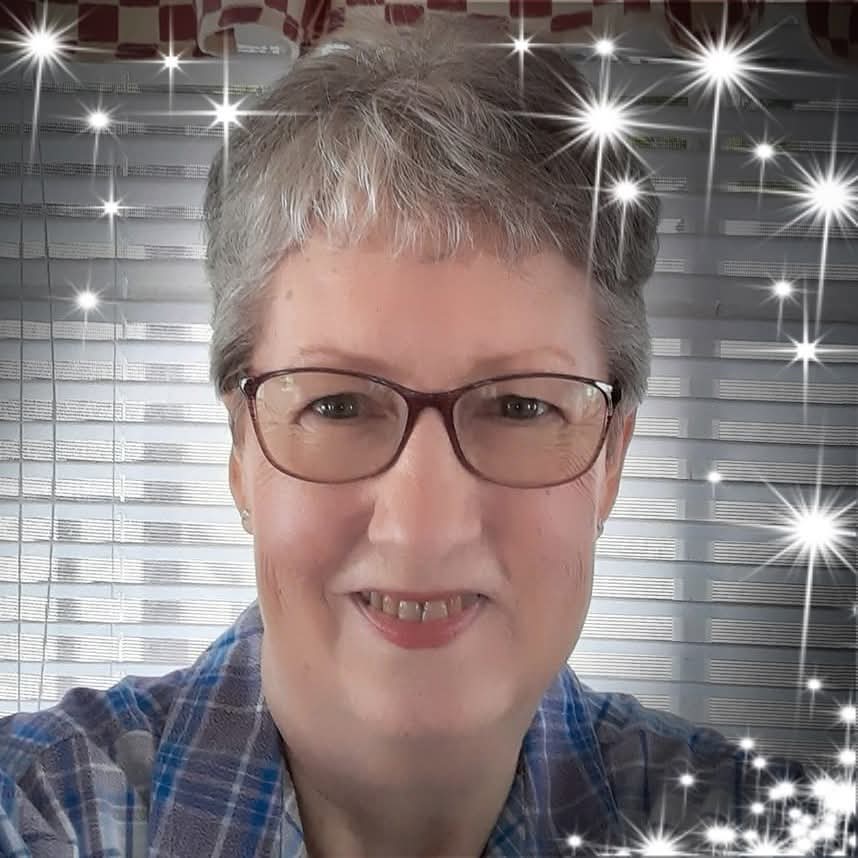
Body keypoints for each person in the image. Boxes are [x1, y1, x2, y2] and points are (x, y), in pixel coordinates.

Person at [0, 10, 836, 858]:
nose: (423, 528)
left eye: (521, 407)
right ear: (242, 450)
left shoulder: (782, 832)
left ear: (611, 460)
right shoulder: (33, 809)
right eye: (337, 405)